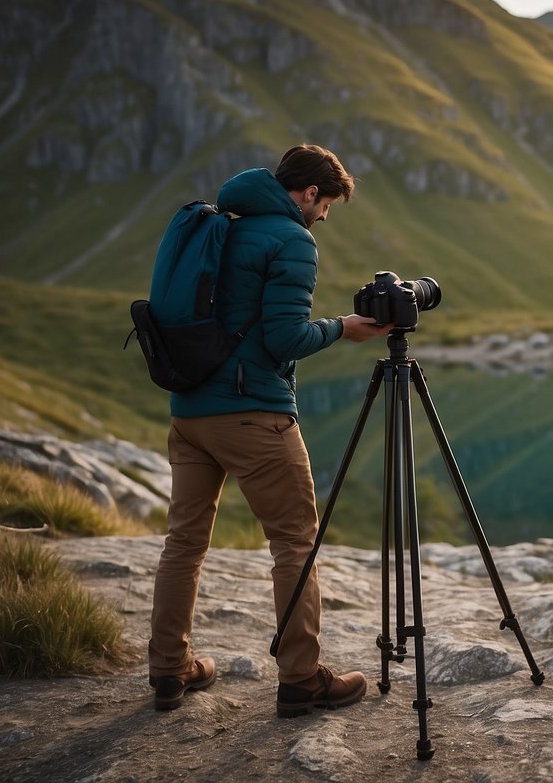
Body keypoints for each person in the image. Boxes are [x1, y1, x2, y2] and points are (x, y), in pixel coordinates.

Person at [147, 144, 391, 716]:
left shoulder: (219, 226)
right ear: (309, 194)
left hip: (189, 414)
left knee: (183, 543)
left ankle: (168, 670)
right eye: (326, 205)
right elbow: (285, 338)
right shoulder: (292, 240)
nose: (324, 217)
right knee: (294, 543)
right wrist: (342, 329)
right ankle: (302, 679)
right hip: (254, 414)